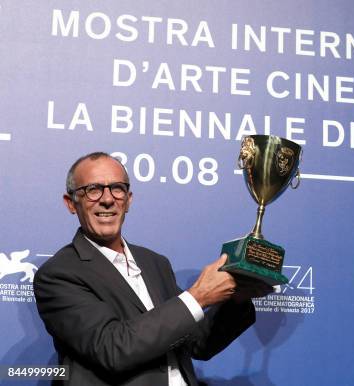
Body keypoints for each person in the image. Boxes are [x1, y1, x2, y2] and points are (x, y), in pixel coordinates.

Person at [34, 152, 272, 385]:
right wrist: (197, 297)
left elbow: (198, 343)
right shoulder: (58, 275)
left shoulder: (154, 262)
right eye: (93, 190)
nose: (107, 199)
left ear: (129, 200)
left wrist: (237, 299)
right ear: (71, 203)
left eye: (117, 188)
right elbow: (113, 349)